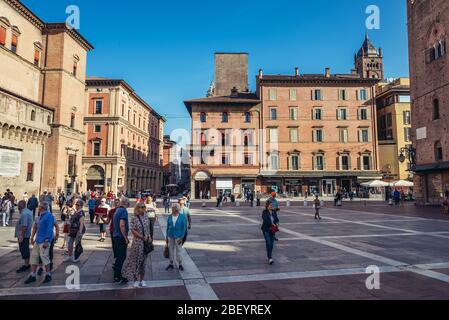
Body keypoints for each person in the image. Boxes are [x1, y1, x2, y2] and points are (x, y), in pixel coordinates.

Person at [24, 202, 55, 284]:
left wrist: (47, 240)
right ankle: (33, 275)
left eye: (39, 206)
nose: (38, 207)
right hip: (38, 240)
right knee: (34, 257)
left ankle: (48, 274)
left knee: (45, 257)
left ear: (42, 208)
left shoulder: (49, 216)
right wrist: (32, 237)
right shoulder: (39, 216)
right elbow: (35, 227)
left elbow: (49, 229)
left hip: (44, 241)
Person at [122, 202, 152, 288]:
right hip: (137, 242)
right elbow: (133, 230)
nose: (143, 208)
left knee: (143, 262)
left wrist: (149, 237)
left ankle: (142, 280)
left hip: (145, 242)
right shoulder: (134, 218)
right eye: (141, 207)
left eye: (144, 207)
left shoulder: (146, 217)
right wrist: (142, 237)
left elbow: (148, 228)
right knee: (136, 261)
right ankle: (135, 280)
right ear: (137, 208)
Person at [113, 197, 130, 284]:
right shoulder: (123, 211)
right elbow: (122, 225)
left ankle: (117, 274)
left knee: (119, 256)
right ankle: (117, 276)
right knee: (122, 256)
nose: (129, 204)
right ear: (126, 203)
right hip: (120, 237)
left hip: (116, 236)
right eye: (129, 202)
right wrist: (125, 237)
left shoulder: (117, 210)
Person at [165, 203, 187, 271]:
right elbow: (167, 227)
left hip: (179, 236)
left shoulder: (182, 216)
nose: (172, 209)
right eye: (172, 208)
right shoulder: (169, 216)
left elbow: (184, 228)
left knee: (179, 250)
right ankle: (171, 263)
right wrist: (166, 237)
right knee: (171, 250)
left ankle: (180, 263)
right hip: (170, 235)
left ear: (177, 209)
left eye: (173, 208)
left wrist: (182, 237)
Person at [15, 201, 33, 273]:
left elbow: (24, 226)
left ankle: (26, 265)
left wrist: (21, 236)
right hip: (26, 234)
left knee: (24, 250)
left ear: (21, 206)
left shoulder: (24, 214)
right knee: (25, 249)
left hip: (24, 235)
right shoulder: (27, 211)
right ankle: (27, 264)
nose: (17, 207)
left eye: (18, 205)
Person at [261, 200, 279, 265]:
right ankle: (270, 257)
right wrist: (272, 224)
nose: (271, 206)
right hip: (266, 229)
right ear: (267, 206)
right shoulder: (264, 212)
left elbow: (276, 219)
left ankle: (269, 255)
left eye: (272, 205)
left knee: (271, 244)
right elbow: (265, 219)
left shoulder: (274, 212)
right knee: (268, 243)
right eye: (270, 205)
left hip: (273, 230)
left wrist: (276, 223)